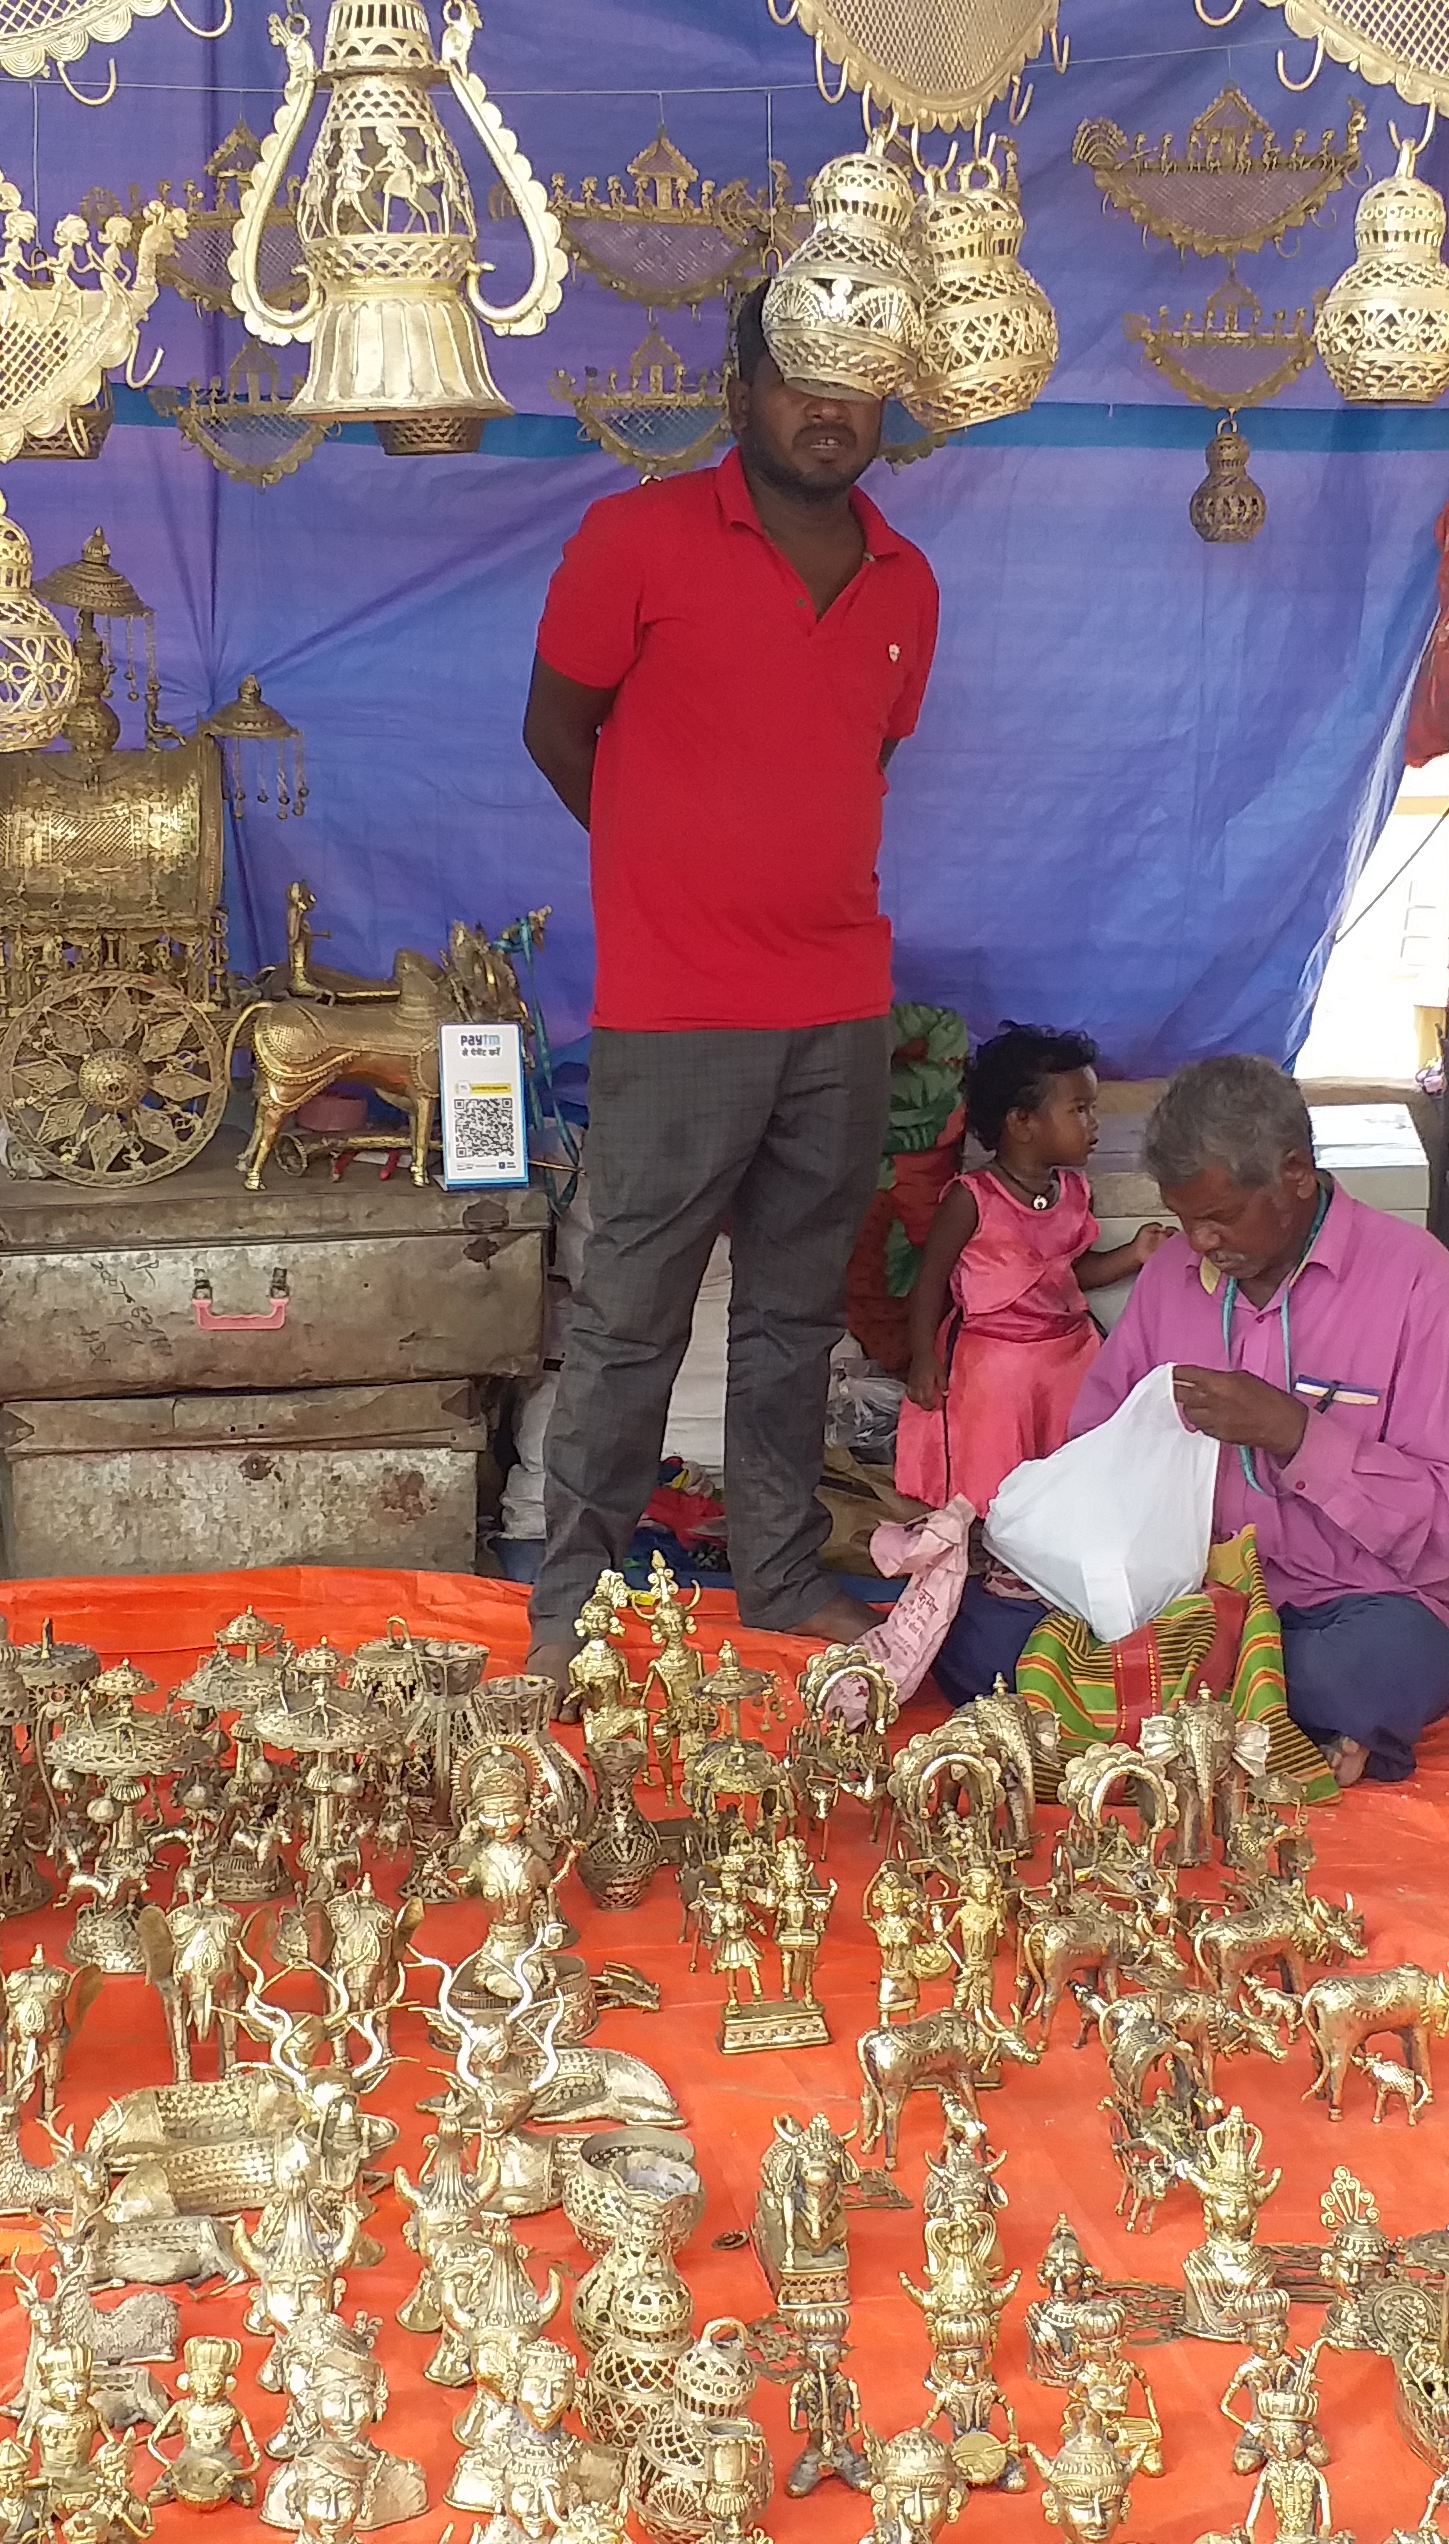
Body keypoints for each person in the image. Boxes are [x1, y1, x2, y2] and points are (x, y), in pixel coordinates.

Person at [520, 278, 938, 1665]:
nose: (828, 411)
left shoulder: (906, 585)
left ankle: (772, 1580)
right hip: (678, 1011)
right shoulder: (632, 540)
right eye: (799, 377)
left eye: (857, 380)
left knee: (791, 1324)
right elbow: (557, 731)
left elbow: (852, 770)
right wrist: (668, 868)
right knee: (630, 1329)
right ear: (740, 387)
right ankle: (571, 1612)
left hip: (842, 1011)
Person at [1061, 1056, 1449, 1789]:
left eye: (1219, 1217)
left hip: (1352, 1605)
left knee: (1381, 1669)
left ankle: (1200, 1713)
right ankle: (1271, 1726)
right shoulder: (1172, 1275)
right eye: (1186, 1220)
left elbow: (1448, 1516)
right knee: (991, 1636)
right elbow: (1098, 1439)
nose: (1197, 1243)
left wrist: (1297, 1434)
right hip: (1189, 1602)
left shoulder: (1417, 1280)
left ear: (1295, 1174)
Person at [896, 1023, 1165, 1514]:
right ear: (1022, 1122)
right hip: (994, 1362)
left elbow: (1070, 1274)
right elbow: (930, 1280)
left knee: (1074, 1471)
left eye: (1093, 1109)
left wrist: (1135, 1253)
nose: (1094, 1124)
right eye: (1079, 1110)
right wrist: (923, 1359)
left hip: (1066, 1355)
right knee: (995, 1481)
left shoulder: (1075, 1193)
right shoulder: (971, 1198)